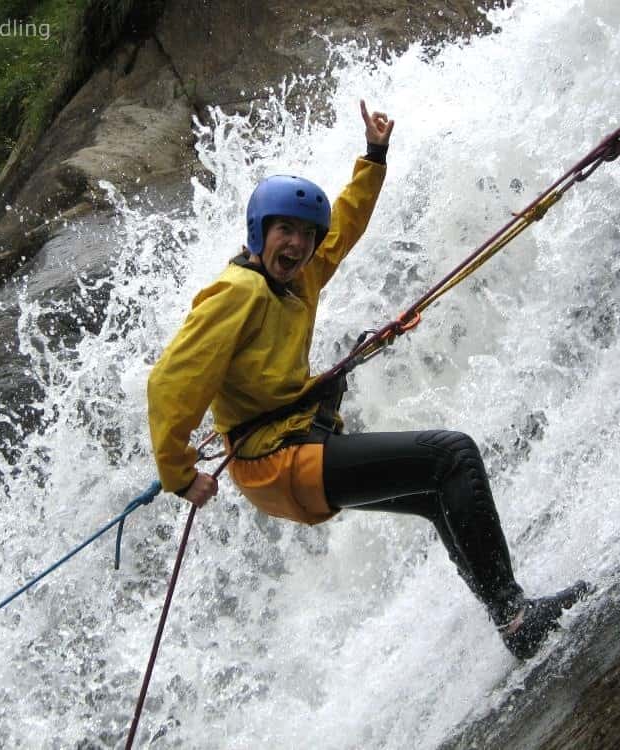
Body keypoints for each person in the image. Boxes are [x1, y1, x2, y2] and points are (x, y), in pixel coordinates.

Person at [148, 100, 587, 660]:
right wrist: (179, 474)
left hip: (295, 446)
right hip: (275, 461)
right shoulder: (239, 293)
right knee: (453, 456)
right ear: (260, 232)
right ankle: (518, 616)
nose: (298, 245)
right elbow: (170, 383)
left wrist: (373, 157)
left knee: (436, 494)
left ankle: (511, 622)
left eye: (306, 235)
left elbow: (343, 228)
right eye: (285, 231)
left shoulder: (299, 278)